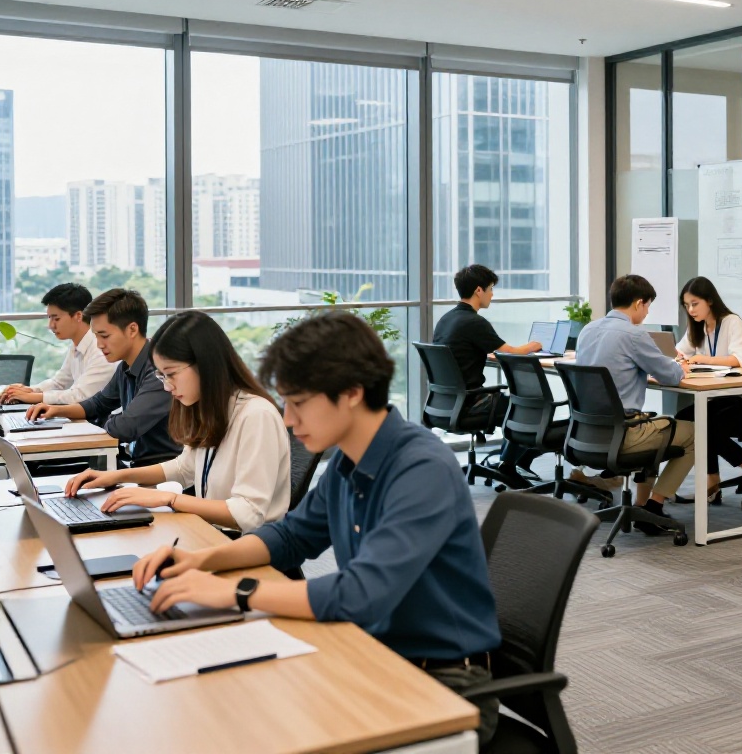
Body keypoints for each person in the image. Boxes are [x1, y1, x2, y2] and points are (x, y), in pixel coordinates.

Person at [129, 311, 500, 744]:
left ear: (352, 394)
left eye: (299, 403)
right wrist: (201, 559)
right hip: (369, 650)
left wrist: (236, 591)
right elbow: (290, 537)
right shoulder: (347, 459)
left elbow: (361, 594)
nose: (288, 420)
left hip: (443, 680)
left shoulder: (420, 469)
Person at [62, 310, 291, 532]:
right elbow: (184, 468)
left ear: (206, 364)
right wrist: (116, 476)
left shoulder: (256, 416)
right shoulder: (209, 407)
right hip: (211, 533)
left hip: (251, 549)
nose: (166, 386)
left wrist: (168, 499)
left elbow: (248, 514)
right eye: (161, 375)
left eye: (171, 374)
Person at [573, 275, 696, 532]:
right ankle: (652, 506)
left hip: (588, 433)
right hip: (624, 435)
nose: (647, 312)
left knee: (653, 424)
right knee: (695, 433)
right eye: (648, 306)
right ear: (639, 303)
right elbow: (670, 375)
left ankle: (641, 505)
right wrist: (680, 366)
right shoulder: (634, 334)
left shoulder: (588, 330)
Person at [28, 288, 178, 466]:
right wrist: (57, 410)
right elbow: (98, 403)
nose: (99, 344)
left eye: (105, 336)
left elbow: (125, 428)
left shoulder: (158, 369)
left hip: (163, 471)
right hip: (136, 462)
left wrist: (106, 420)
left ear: (132, 330)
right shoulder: (125, 366)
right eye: (96, 336)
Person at [433, 264, 547, 486]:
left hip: (447, 402)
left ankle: (511, 461)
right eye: (490, 288)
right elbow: (512, 352)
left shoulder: (447, 319)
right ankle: (508, 466)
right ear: (478, 291)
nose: (492, 294)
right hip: (471, 402)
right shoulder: (474, 322)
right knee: (529, 409)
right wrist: (534, 345)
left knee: (518, 405)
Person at [670, 277, 742, 505]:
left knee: (703, 422)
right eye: (687, 305)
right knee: (684, 420)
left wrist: (699, 358)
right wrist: (681, 360)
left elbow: (737, 360)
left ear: (710, 300)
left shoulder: (731, 322)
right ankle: (714, 480)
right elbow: (679, 352)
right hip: (718, 396)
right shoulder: (697, 327)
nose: (691, 310)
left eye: (695, 304)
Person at [0, 283, 117, 405]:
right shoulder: (77, 344)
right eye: (49, 318)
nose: (51, 325)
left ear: (78, 316)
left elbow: (80, 395)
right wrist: (28, 390)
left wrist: (32, 397)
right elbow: (59, 383)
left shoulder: (101, 350)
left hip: (101, 422)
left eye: (56, 319)